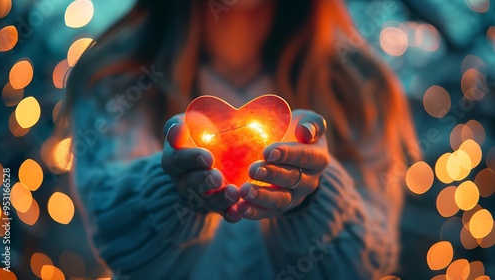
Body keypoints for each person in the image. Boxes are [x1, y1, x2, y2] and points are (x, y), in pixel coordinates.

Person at [61, 0, 420, 279]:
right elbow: (120, 242)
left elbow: (368, 261)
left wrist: (312, 202)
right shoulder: (114, 79)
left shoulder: (361, 88)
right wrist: (172, 192)